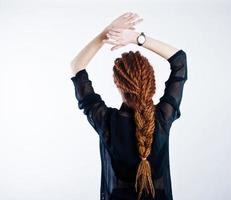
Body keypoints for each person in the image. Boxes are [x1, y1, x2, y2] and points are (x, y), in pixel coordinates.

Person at [70, 12, 188, 200]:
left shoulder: (106, 121)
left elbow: (76, 66)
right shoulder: (163, 117)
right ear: (151, 82)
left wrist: (105, 35)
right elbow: (180, 61)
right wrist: (136, 38)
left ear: (118, 85)